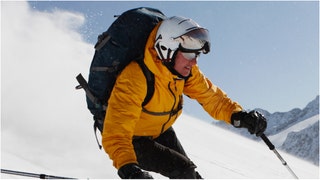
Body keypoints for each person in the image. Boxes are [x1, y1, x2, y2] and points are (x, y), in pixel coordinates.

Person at [102, 16, 267, 179]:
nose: (194, 62)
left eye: (197, 56)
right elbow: (116, 133)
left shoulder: (184, 72)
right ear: (167, 49)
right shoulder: (135, 78)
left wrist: (239, 115)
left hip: (158, 130)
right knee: (184, 171)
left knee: (192, 175)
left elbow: (211, 98)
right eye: (189, 55)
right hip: (131, 138)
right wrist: (129, 169)